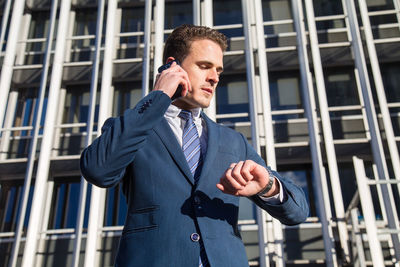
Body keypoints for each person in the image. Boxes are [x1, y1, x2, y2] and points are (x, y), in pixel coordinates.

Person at [80, 24, 308, 267]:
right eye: (204, 66)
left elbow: (297, 211)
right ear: (172, 66)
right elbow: (98, 170)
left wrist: (269, 186)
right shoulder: (134, 128)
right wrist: (158, 97)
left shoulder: (233, 141)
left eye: (218, 70)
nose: (214, 77)